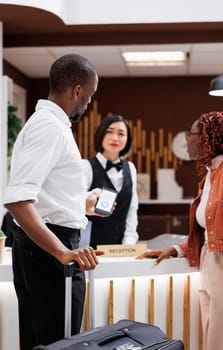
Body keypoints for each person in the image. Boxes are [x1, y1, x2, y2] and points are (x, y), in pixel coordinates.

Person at [3, 53, 105, 350]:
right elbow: (18, 200)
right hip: (50, 251)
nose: (88, 103)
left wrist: (80, 203)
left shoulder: (49, 124)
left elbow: (45, 196)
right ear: (77, 91)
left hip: (43, 247)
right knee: (56, 344)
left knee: (46, 341)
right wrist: (61, 253)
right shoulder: (49, 127)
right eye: (90, 95)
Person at [136, 111, 223, 350]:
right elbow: (210, 232)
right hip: (209, 259)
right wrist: (174, 250)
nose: (187, 139)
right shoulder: (208, 176)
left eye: (191, 134)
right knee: (213, 333)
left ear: (207, 137)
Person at [82, 114, 139, 249]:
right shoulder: (86, 166)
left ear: (127, 139)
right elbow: (75, 204)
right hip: (89, 248)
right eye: (109, 131)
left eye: (121, 134)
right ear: (101, 134)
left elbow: (132, 209)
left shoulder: (130, 168)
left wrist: (128, 245)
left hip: (121, 247)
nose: (115, 138)